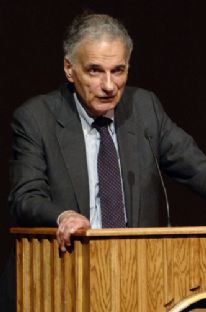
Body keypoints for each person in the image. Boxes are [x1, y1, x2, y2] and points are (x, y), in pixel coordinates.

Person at [9, 13, 206, 253]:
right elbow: (26, 197)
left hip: (137, 270)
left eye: (118, 71)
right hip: (68, 267)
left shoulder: (144, 108)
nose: (109, 86)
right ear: (69, 68)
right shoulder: (36, 118)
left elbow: (197, 168)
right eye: (95, 71)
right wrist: (64, 216)